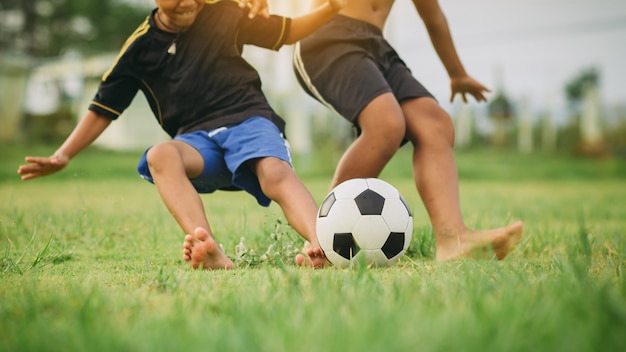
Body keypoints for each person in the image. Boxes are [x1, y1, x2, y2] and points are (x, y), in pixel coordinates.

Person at [18, 0, 347, 270]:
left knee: (274, 173)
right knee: (160, 155)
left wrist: (331, 8)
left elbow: (286, 32)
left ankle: (321, 243)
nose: (187, 2)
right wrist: (64, 154)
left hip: (249, 119)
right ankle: (210, 247)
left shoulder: (224, 13)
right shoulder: (140, 48)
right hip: (198, 141)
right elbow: (103, 107)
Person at [293, 0, 523, 262]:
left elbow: (433, 16)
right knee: (386, 125)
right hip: (327, 36)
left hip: (375, 44)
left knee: (434, 123)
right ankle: (323, 242)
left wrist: (457, 74)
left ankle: (453, 239)